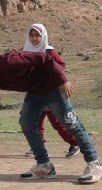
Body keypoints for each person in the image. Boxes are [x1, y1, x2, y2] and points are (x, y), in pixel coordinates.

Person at [0, 48, 102, 184]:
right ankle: (45, 166)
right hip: (35, 92)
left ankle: (95, 164)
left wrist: (63, 79)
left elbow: (44, 58)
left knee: (70, 123)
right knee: (26, 121)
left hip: (52, 88)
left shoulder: (8, 61)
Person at [21, 23, 79, 158]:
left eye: (37, 35)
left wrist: (56, 80)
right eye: (32, 35)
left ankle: (74, 143)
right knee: (34, 121)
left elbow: (61, 66)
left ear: (43, 36)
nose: (35, 39)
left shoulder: (49, 51)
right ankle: (36, 146)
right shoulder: (26, 51)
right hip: (35, 91)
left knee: (58, 121)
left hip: (51, 92)